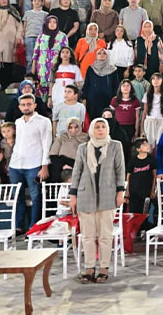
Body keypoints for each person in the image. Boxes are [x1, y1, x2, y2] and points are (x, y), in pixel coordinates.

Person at [70, 117, 126, 284]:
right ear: (91, 130)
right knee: (87, 235)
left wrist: (120, 192)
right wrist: (73, 195)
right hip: (85, 195)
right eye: (97, 127)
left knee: (105, 235)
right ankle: (88, 268)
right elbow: (76, 172)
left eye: (103, 126)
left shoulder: (116, 146)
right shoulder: (82, 148)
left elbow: (120, 170)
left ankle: (103, 268)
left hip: (108, 195)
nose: (100, 129)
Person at [10, 93, 53, 231]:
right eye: (23, 105)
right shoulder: (18, 122)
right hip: (16, 164)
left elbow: (47, 143)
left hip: (34, 164)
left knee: (36, 197)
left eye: (29, 104)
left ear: (34, 105)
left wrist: (44, 165)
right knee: (17, 197)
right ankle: (18, 226)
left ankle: (34, 226)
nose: (26, 107)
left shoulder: (43, 121)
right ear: (19, 107)